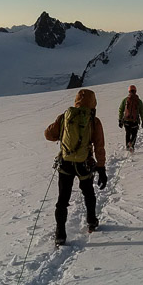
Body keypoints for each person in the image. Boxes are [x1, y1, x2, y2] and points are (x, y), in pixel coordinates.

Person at [44, 88, 107, 245]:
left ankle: (60, 234)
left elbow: (48, 134)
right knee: (88, 193)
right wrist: (101, 167)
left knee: (62, 199)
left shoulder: (65, 116)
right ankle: (91, 221)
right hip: (84, 164)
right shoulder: (94, 120)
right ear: (93, 103)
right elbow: (99, 145)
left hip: (65, 163)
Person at [118, 84, 143, 151]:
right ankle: (131, 145)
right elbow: (142, 112)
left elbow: (121, 110)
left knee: (127, 133)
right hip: (134, 121)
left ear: (129, 91)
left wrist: (120, 120)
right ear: (135, 91)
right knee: (134, 134)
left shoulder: (125, 100)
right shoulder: (139, 101)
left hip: (126, 120)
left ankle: (127, 146)